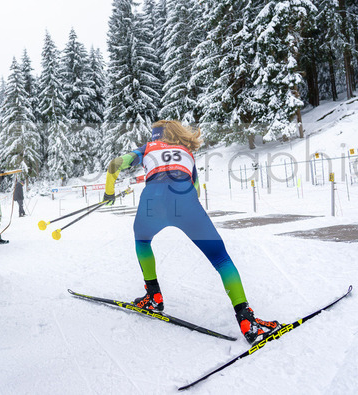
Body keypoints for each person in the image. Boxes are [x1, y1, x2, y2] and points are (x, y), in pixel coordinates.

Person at [103, 120, 280, 344]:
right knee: (221, 258)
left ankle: (154, 296)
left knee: (143, 241)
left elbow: (114, 165)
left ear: (156, 136)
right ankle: (247, 320)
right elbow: (196, 191)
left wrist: (109, 192)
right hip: (185, 201)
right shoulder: (186, 152)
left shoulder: (147, 148)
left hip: (153, 203)